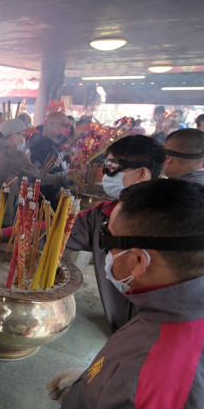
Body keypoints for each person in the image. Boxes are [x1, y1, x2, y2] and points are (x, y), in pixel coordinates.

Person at [43, 178, 204, 409]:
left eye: (108, 240)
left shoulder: (169, 379)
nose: (105, 253)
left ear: (138, 261)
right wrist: (97, 386)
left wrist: (130, 386)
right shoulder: (170, 306)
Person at [65, 135, 165, 332]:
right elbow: (58, 231)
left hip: (159, 331)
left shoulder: (175, 221)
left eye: (113, 168)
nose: (104, 176)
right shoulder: (105, 213)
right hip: (121, 325)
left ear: (141, 173)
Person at [0, 119, 67, 227]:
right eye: (23, 136)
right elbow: (40, 177)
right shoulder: (14, 154)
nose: (25, 140)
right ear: (13, 136)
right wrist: (67, 177)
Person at [28, 111, 70, 203]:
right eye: (63, 124)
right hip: (45, 204)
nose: (66, 128)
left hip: (60, 201)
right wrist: (57, 191)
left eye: (67, 124)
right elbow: (39, 177)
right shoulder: (39, 148)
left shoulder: (57, 145)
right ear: (49, 125)